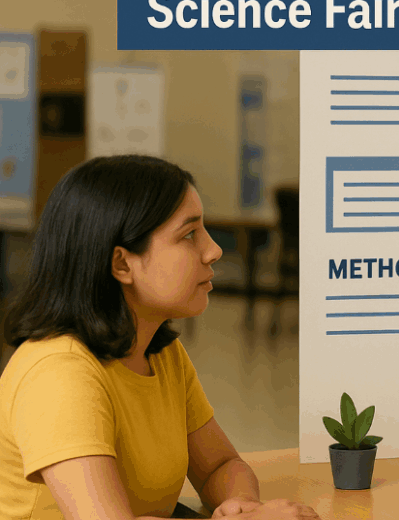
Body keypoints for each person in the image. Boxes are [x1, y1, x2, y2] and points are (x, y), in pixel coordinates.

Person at [0, 155, 319, 520]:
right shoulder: (58, 374)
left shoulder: (161, 353)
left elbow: (220, 466)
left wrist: (241, 503)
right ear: (122, 264)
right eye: (189, 235)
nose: (214, 250)